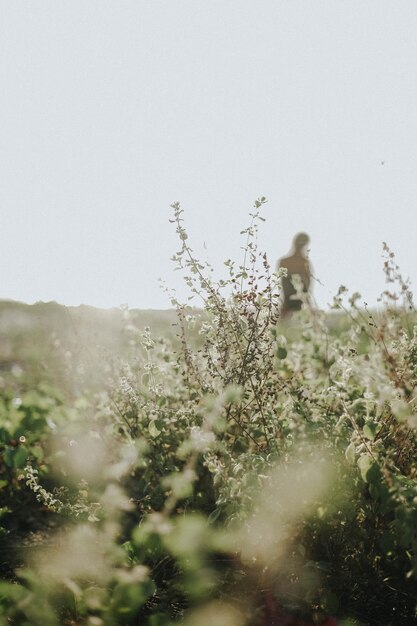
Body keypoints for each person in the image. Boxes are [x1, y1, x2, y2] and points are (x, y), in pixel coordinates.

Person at [278, 232, 311, 317]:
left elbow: (307, 289)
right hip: (288, 305)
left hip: (298, 305)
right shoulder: (303, 263)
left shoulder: (304, 263)